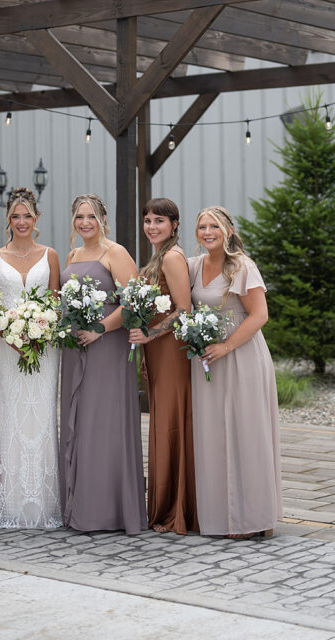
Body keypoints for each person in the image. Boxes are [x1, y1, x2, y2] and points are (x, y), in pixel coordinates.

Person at [188, 205, 281, 539]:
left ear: (227, 230)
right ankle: (221, 516)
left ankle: (253, 519)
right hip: (207, 363)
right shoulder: (193, 266)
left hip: (241, 356)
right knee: (213, 436)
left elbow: (259, 315)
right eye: (202, 226)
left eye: (214, 226)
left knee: (246, 434)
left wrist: (227, 346)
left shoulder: (242, 266)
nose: (208, 232)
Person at [59, 194, 147, 534]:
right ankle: (78, 507)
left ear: (102, 219)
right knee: (77, 421)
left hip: (107, 347)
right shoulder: (73, 255)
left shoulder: (117, 253)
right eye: (80, 216)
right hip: (74, 347)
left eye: (91, 217)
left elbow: (133, 304)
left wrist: (99, 329)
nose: (85, 223)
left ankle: (107, 511)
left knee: (103, 421)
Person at [0, 187, 62, 529]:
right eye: (16, 216)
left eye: (28, 215)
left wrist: (41, 332)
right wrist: (9, 333)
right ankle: (9, 502)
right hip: (6, 345)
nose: (22, 221)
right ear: (8, 220)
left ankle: (42, 502)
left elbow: (56, 302)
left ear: (37, 219)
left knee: (41, 412)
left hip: (45, 347)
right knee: (9, 411)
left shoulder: (51, 255)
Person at [128, 198, 199, 534]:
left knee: (171, 423)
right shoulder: (158, 257)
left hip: (170, 350)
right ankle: (167, 504)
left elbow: (183, 310)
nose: (151, 227)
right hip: (156, 351)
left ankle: (175, 509)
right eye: (147, 220)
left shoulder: (172, 257)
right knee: (162, 420)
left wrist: (149, 333)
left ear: (174, 224)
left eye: (159, 221)